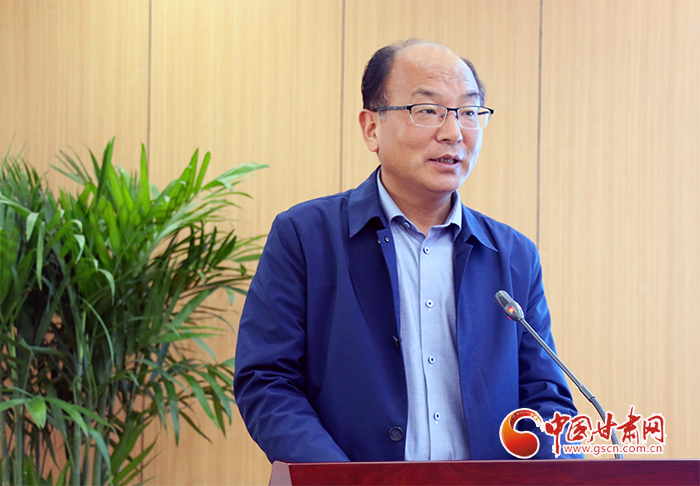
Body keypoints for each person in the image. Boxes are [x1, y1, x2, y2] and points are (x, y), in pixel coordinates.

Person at [234, 39, 581, 463]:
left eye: (469, 112)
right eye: (428, 110)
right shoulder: (305, 236)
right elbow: (267, 381)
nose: (453, 132)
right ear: (371, 128)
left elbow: (545, 397)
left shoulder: (513, 254)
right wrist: (339, 479)